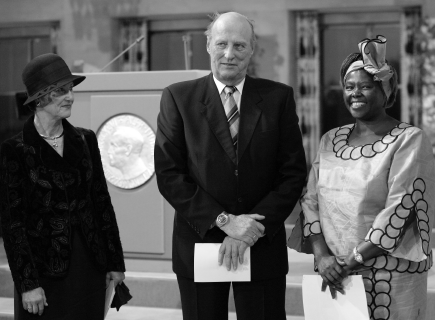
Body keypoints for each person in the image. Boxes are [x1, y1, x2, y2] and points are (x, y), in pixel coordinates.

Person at [154, 11, 307, 320]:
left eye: (239, 45)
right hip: (199, 242)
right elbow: (170, 175)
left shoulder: (278, 98)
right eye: (221, 43)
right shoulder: (178, 98)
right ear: (208, 44)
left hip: (260, 241)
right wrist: (225, 221)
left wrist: (248, 229)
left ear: (252, 49)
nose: (229, 54)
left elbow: (292, 173)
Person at [288, 35, 435, 320]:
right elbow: (310, 199)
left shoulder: (408, 140)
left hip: (391, 276)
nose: (355, 93)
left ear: (385, 90)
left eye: (366, 86)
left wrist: (353, 259)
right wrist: (322, 256)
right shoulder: (332, 139)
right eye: (349, 86)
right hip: (334, 272)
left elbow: (400, 208)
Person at [0, 53, 126, 319]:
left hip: (90, 264)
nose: (69, 96)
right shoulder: (15, 150)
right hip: (43, 270)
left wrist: (115, 262)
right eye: (59, 91)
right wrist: (28, 284)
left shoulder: (86, 139)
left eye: (70, 90)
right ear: (39, 98)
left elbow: (102, 204)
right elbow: (13, 225)